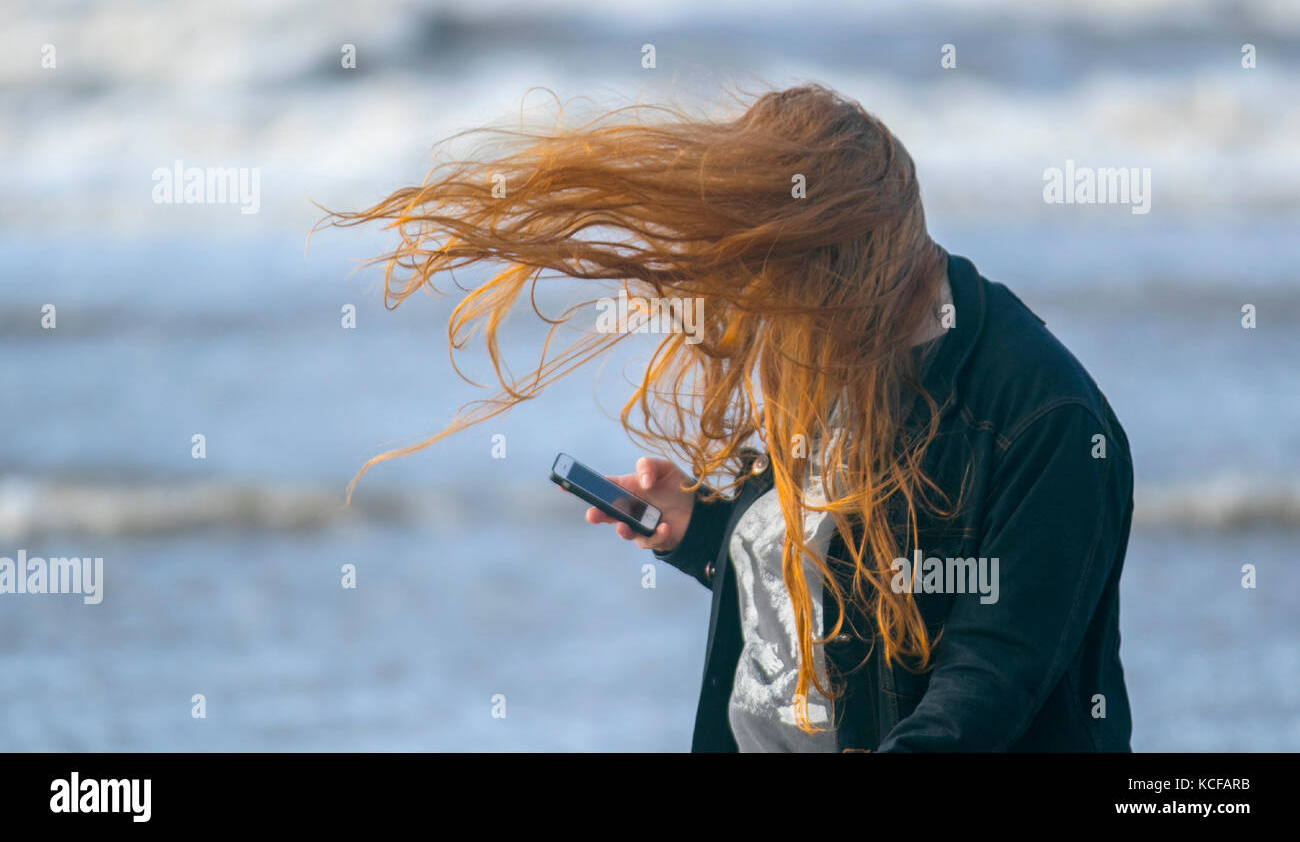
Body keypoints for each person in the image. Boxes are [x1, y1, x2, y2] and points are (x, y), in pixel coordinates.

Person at [325, 84, 1134, 752]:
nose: (766, 320)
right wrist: (709, 533)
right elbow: (829, 569)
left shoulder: (1048, 426)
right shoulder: (835, 335)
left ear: (846, 267)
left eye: (783, 284)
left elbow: (983, 692)